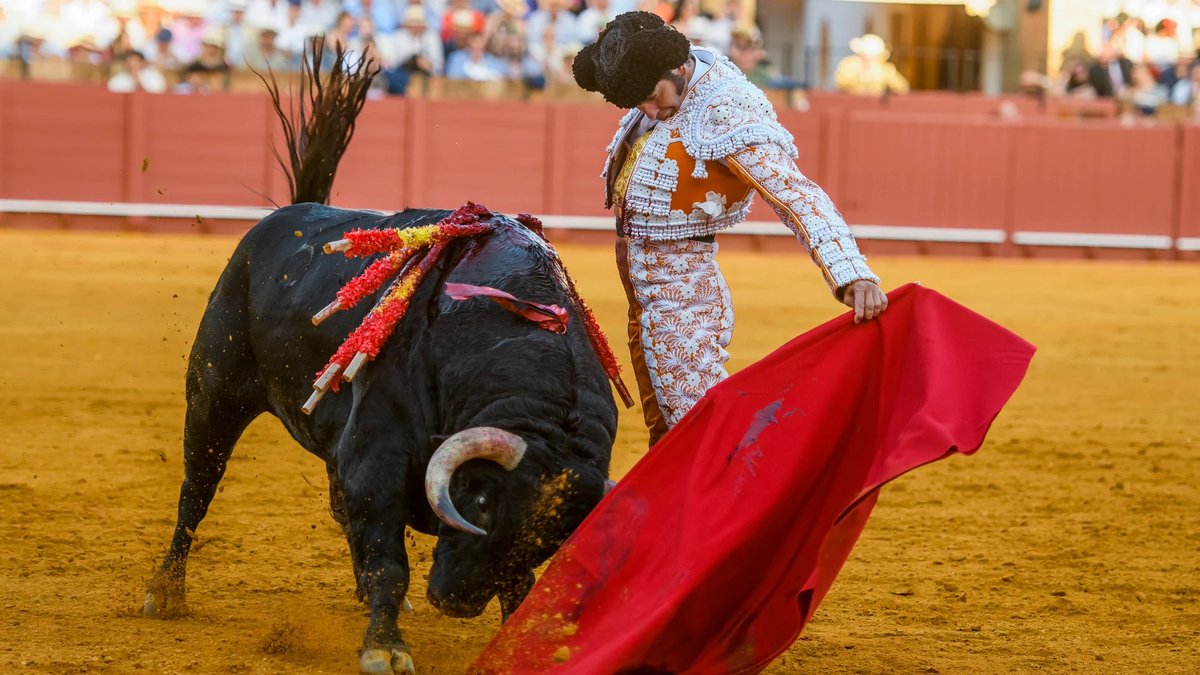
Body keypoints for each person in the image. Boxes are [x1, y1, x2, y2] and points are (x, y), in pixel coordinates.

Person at [572, 11, 886, 445]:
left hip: (683, 292)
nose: (649, 111)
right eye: (637, 104)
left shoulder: (725, 109)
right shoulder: (664, 84)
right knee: (665, 425)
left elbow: (795, 193)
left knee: (695, 429)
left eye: (651, 95)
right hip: (644, 292)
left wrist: (850, 272)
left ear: (677, 68)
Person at [833, 32, 909, 96]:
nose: (866, 58)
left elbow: (902, 88)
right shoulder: (849, 65)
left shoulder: (885, 69)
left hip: (877, 107)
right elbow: (841, 84)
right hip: (852, 105)